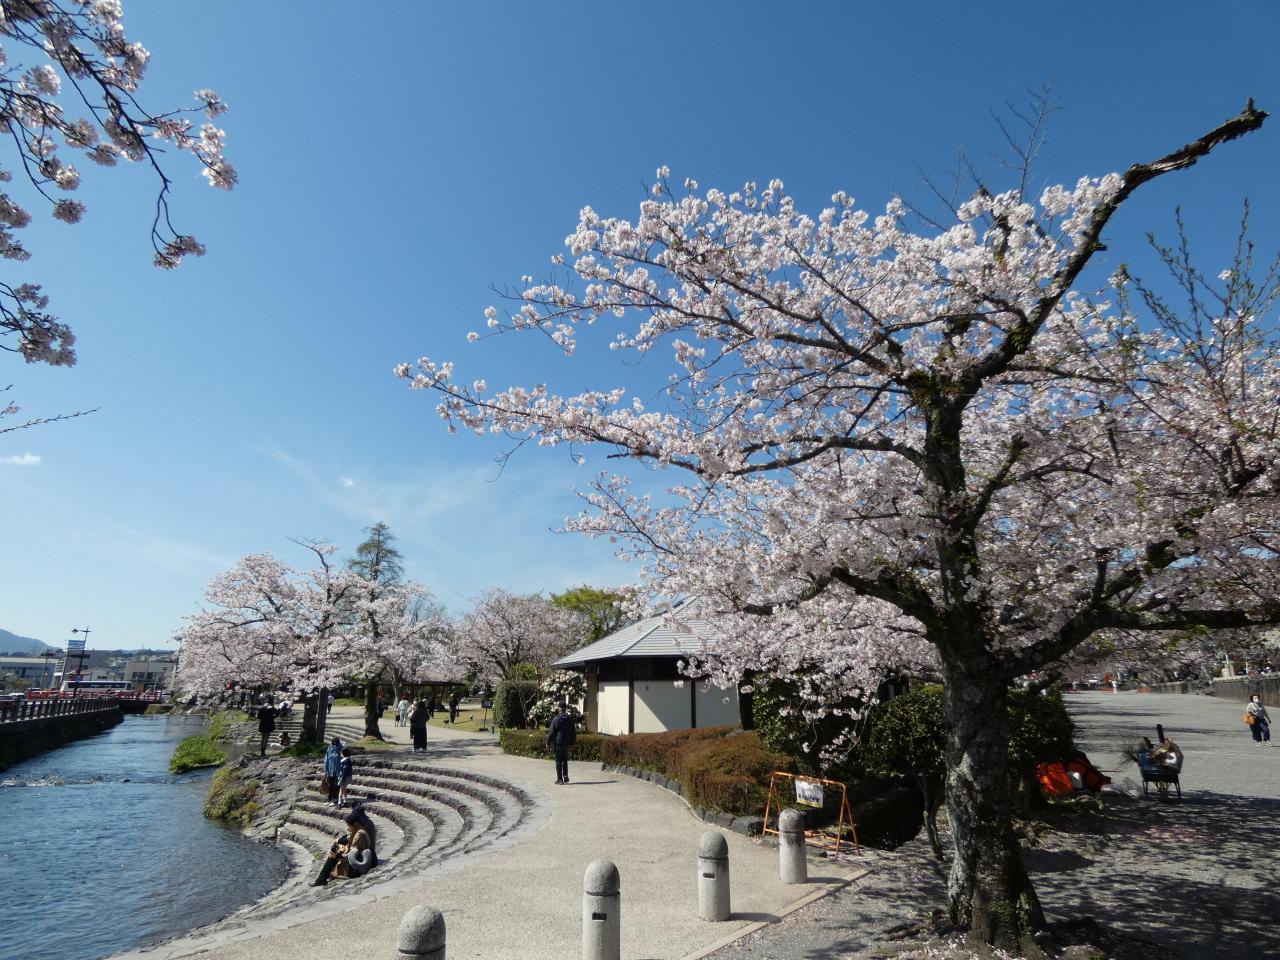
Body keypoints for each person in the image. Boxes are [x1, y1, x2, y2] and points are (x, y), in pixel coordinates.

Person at [310, 808, 375, 886]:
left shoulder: (359, 834)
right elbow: (349, 840)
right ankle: (322, 879)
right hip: (359, 861)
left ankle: (320, 880)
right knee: (337, 851)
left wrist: (338, 855)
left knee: (332, 857)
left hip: (356, 868)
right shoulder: (359, 830)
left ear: (355, 825)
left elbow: (352, 855)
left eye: (348, 826)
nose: (347, 828)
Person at [547, 701, 577, 785]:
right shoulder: (570, 719)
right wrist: (573, 743)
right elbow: (573, 732)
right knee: (565, 760)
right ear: (565, 708)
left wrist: (548, 742)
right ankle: (565, 776)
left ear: (559, 708)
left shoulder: (556, 719)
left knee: (558, 761)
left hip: (558, 743)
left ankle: (559, 779)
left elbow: (551, 732)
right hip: (567, 743)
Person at [323, 736, 344, 806]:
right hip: (330, 770)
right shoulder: (329, 748)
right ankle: (329, 799)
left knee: (336, 785)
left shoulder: (341, 748)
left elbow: (345, 759)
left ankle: (335, 800)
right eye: (333, 742)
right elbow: (326, 759)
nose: (334, 744)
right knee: (330, 785)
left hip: (338, 771)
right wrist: (326, 770)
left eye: (336, 743)